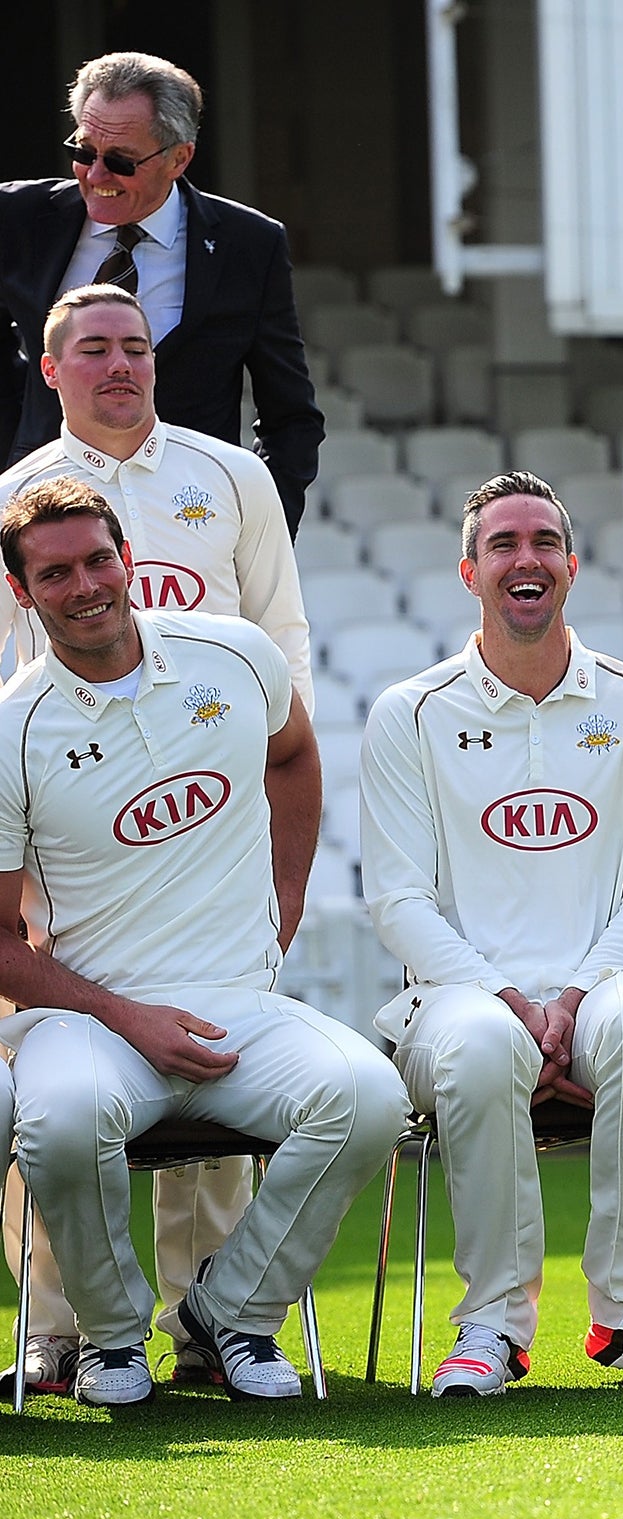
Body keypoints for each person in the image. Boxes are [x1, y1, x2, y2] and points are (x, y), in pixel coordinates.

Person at [0, 477, 405, 1405]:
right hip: (89, 1018)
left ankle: (232, 1316)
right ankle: (110, 1340)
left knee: (370, 1096)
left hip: (238, 1001)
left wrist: (287, 895)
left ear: (128, 558)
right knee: (59, 1124)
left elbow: (294, 755)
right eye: (54, 573)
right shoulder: (12, 730)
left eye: (99, 559)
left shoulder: (236, 655)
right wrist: (125, 1016)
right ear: (24, 594)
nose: (86, 585)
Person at [0, 282, 316, 1395]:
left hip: (209, 825)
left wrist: (276, 876)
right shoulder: (9, 500)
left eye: (136, 345)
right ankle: (60, 1323)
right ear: (53, 371)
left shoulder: (232, 476)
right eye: (93, 350)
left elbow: (280, 641)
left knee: (218, 1070)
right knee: (55, 1082)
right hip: (58, 828)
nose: (119, 366)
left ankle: (211, 1316)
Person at [358, 471, 623, 1397]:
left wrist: (575, 999)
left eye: (544, 542)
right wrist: (510, 1003)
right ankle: (492, 1330)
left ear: (571, 567)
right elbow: (399, 900)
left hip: (602, 991)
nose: (527, 558)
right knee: (477, 1046)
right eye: (504, 544)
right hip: (458, 1003)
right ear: (469, 572)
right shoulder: (412, 712)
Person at [0, 52, 322, 532]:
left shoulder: (249, 244)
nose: (95, 175)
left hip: (190, 520)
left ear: (179, 157)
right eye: (84, 152)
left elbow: (290, 415)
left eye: (120, 161)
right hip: (43, 519)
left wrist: (258, 532)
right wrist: (14, 468)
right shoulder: (17, 217)